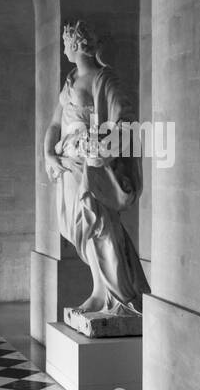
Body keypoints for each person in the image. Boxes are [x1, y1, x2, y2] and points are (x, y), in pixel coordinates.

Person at [43, 21, 150, 316]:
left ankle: (120, 296)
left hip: (93, 166)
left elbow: (125, 122)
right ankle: (100, 292)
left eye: (66, 42)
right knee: (86, 228)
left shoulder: (104, 80)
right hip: (69, 165)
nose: (64, 48)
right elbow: (54, 124)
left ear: (77, 44)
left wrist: (105, 152)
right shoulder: (70, 81)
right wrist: (50, 156)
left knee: (101, 225)